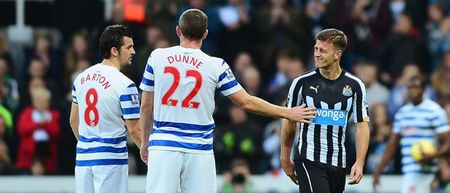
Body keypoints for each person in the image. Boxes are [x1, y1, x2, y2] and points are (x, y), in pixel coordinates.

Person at [139, 9, 316, 193]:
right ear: (205, 34)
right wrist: (287, 112)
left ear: (178, 31)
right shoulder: (216, 65)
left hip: (164, 144)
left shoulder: (157, 57)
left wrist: (145, 142)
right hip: (199, 148)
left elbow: (145, 106)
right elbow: (246, 102)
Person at [280, 28, 371, 193]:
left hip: (338, 162)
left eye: (322, 50)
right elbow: (289, 120)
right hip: (308, 159)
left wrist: (359, 162)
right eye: (316, 49)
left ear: (337, 54)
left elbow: (361, 125)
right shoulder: (301, 84)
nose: (317, 54)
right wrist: (285, 156)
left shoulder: (355, 85)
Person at [69, 24, 141, 193]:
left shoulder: (81, 78)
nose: (133, 52)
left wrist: (89, 146)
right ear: (114, 51)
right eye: (129, 47)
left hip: (84, 159)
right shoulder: (125, 84)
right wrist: (148, 154)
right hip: (110, 160)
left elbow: (73, 121)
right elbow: (135, 130)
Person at [373, 76, 450, 193]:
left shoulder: (434, 111)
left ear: (423, 90)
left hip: (428, 172)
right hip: (409, 170)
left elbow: (447, 143)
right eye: (409, 87)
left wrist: (432, 156)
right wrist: (379, 168)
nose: (411, 90)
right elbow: (392, 145)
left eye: (415, 87)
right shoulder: (402, 113)